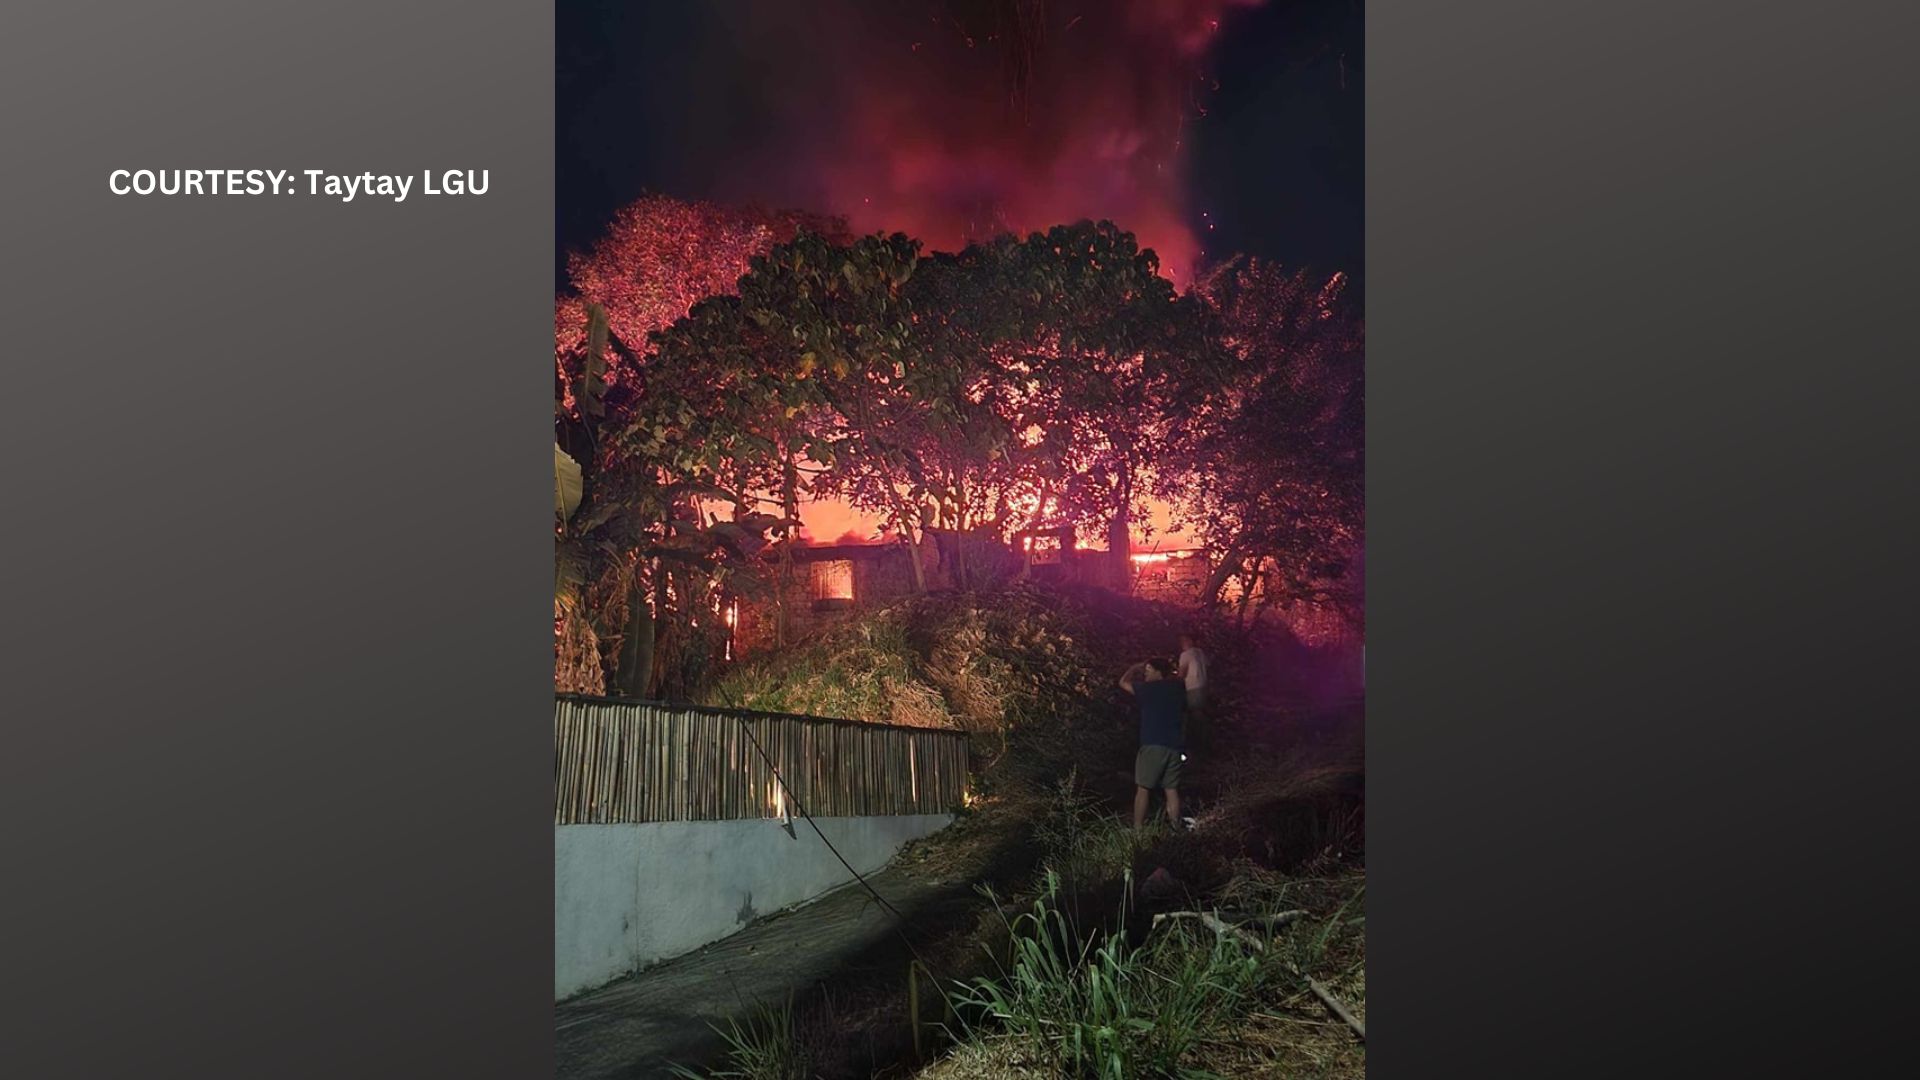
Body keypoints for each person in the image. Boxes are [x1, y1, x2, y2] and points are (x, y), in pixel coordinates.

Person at [1120, 657, 1186, 830]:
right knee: (1171, 789)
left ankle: (1138, 830)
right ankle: (1175, 828)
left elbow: (1123, 683)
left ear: (1158, 672)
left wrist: (1133, 666)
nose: (1145, 673)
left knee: (1143, 788)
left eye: (1148, 669)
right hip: (1174, 746)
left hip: (1153, 744)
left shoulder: (1147, 689)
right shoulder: (1177, 688)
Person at [1177, 631, 1210, 752]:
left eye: (1183, 640)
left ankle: (1197, 745)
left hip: (1192, 687)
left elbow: (1181, 674)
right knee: (1200, 713)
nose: (1182, 643)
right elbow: (1208, 666)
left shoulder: (1185, 655)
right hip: (1203, 687)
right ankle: (1204, 742)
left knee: (1193, 715)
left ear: (1189, 640)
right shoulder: (1200, 652)